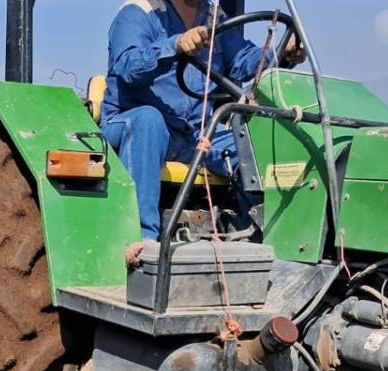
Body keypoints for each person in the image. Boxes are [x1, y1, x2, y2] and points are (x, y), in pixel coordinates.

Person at [101, 0, 306, 252]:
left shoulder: (214, 18)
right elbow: (128, 66)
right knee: (149, 120)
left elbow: (243, 60)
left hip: (194, 134)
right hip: (132, 123)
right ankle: (142, 241)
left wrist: (282, 51)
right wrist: (175, 44)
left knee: (251, 142)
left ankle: (262, 237)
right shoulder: (138, 11)